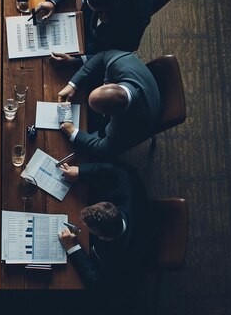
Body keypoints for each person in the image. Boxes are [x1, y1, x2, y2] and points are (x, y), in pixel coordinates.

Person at [57, 161, 152, 306]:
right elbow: (120, 170)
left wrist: (72, 247)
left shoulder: (120, 258)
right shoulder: (128, 187)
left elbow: (98, 283)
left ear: (101, 236)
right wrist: (80, 172)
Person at [57, 49, 160, 160]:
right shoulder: (119, 61)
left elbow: (102, 149)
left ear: (108, 115)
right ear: (108, 85)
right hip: (145, 83)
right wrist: (73, 84)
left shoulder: (121, 128)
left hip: (147, 115)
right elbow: (103, 55)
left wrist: (72, 132)